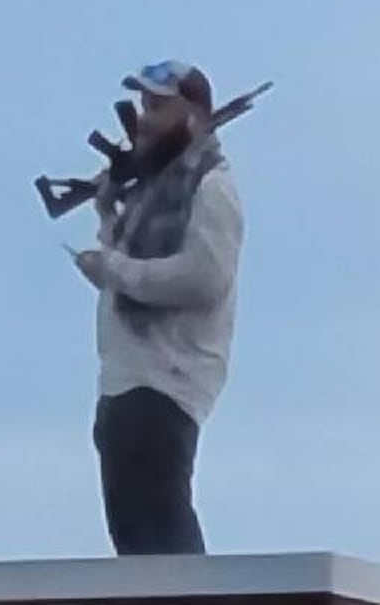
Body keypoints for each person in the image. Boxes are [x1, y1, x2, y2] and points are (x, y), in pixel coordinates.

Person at [72, 60, 244, 556]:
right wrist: (107, 217)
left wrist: (114, 269)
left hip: (165, 379)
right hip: (127, 379)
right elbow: (130, 272)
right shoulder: (156, 188)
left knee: (161, 531)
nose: (145, 118)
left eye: (159, 107)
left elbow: (202, 278)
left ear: (193, 116)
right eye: (146, 105)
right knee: (134, 533)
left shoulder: (211, 186)